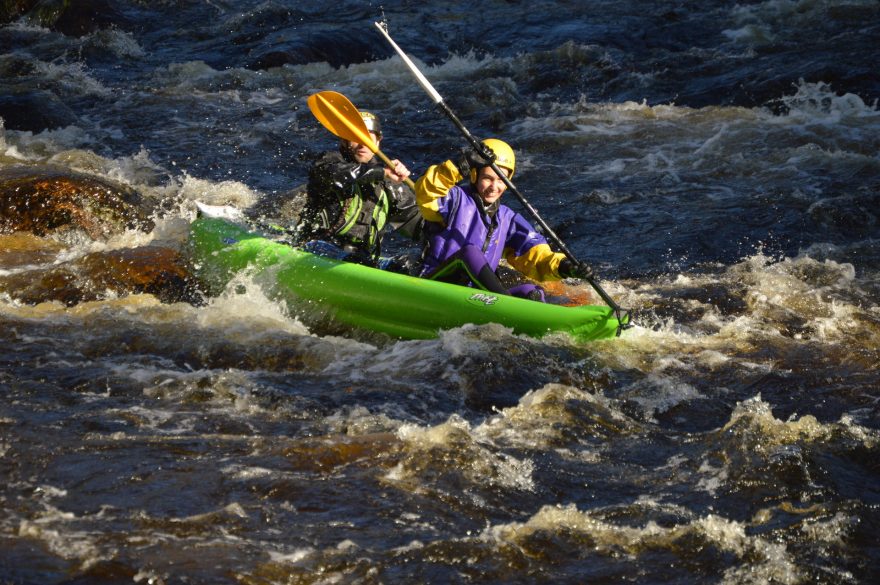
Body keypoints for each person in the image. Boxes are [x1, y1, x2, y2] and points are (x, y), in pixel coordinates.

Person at [413, 138, 593, 301]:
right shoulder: (454, 200)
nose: (494, 187)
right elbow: (426, 193)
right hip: (436, 284)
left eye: (501, 180)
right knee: (469, 253)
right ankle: (503, 303)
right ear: (474, 175)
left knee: (531, 291)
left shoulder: (507, 218)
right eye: (488, 179)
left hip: (476, 294)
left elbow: (536, 258)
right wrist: (461, 165)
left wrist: (565, 267)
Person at [296, 110, 422, 267]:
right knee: (356, 260)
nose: (363, 143)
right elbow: (339, 176)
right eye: (356, 137)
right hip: (315, 248)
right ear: (344, 140)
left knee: (409, 264)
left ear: (378, 141)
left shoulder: (389, 183)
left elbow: (418, 224)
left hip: (363, 260)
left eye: (369, 137)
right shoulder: (329, 162)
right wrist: (382, 172)